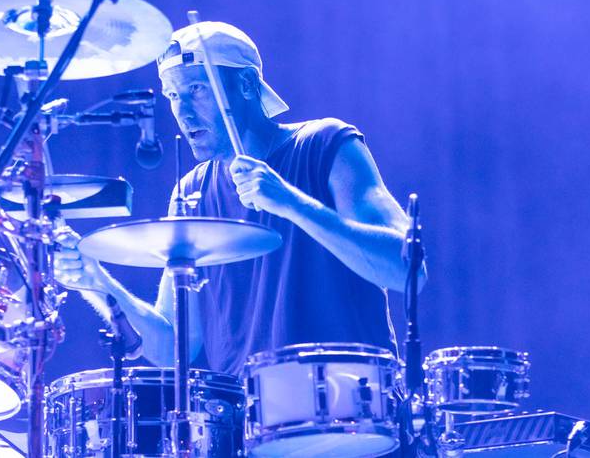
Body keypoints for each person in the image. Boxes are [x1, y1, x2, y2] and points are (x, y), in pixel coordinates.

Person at [55, 22, 425, 376]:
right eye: (172, 96)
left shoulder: (324, 144)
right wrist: (97, 282)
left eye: (197, 90)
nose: (182, 112)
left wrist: (291, 203)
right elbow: (172, 347)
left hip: (353, 410)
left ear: (246, 84)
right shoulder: (191, 193)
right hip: (249, 426)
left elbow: (407, 269)